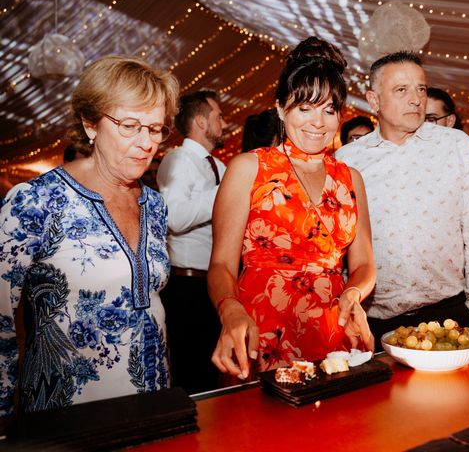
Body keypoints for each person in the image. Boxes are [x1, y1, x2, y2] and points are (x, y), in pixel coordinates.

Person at [0, 55, 179, 418]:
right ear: (90, 124)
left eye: (156, 128)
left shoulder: (155, 205)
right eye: (130, 125)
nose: (146, 143)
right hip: (67, 414)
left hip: (152, 404)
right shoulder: (37, 202)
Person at [208, 36, 375, 380]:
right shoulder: (249, 167)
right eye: (305, 107)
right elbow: (222, 263)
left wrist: (354, 293)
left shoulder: (351, 178)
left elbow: (364, 264)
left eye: (330, 110)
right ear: (282, 108)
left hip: (335, 329)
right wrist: (229, 309)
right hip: (262, 328)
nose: (318, 122)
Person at [336, 51, 469, 347]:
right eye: (402, 90)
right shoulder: (347, 160)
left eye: (421, 89)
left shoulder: (455, 145)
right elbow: (339, 245)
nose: (416, 99)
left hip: (447, 314)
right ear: (373, 100)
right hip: (374, 319)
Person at [156, 89, 227, 394]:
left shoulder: (218, 165)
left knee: (212, 372)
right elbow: (175, 217)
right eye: (218, 116)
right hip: (187, 286)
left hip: (213, 281)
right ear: (200, 121)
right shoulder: (178, 159)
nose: (224, 122)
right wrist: (226, 195)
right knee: (192, 374)